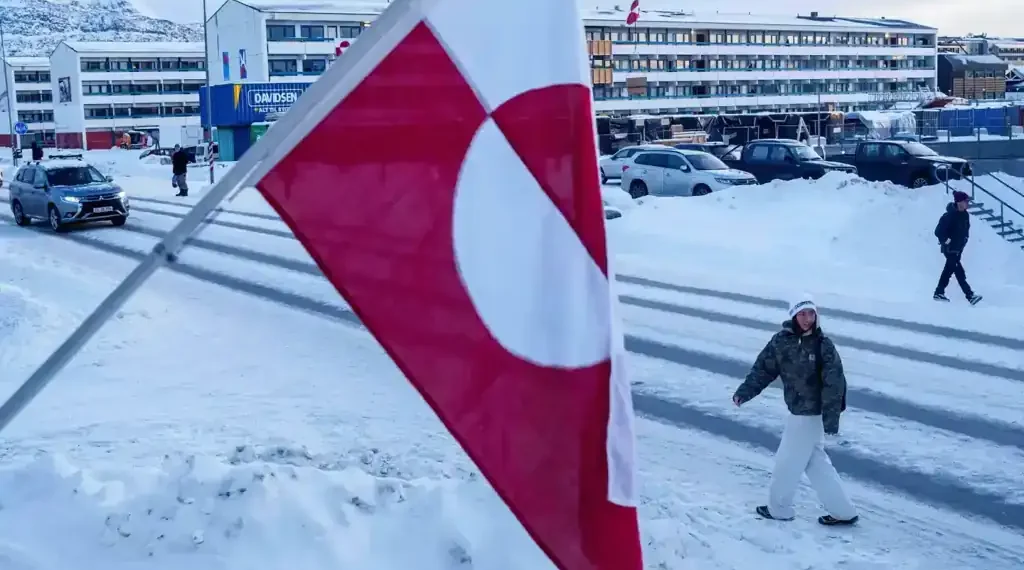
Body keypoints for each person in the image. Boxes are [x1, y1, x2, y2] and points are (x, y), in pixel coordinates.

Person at [732, 294, 858, 527]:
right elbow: (763, 370)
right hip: (797, 410)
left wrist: (831, 421)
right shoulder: (781, 342)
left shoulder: (823, 346)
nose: (807, 319)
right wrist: (744, 392)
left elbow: (835, 384)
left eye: (811, 313)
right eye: (802, 314)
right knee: (815, 463)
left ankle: (779, 509)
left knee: (787, 463)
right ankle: (843, 511)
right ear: (793, 316)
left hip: (810, 416)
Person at [934, 190, 981, 305]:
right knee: (959, 272)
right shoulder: (949, 216)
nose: (967, 203)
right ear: (959, 202)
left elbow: (965, 231)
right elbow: (938, 231)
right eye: (965, 201)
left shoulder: (965, 215)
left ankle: (939, 292)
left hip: (958, 249)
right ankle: (970, 295)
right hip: (950, 250)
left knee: (949, 271)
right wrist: (947, 241)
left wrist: (964, 241)